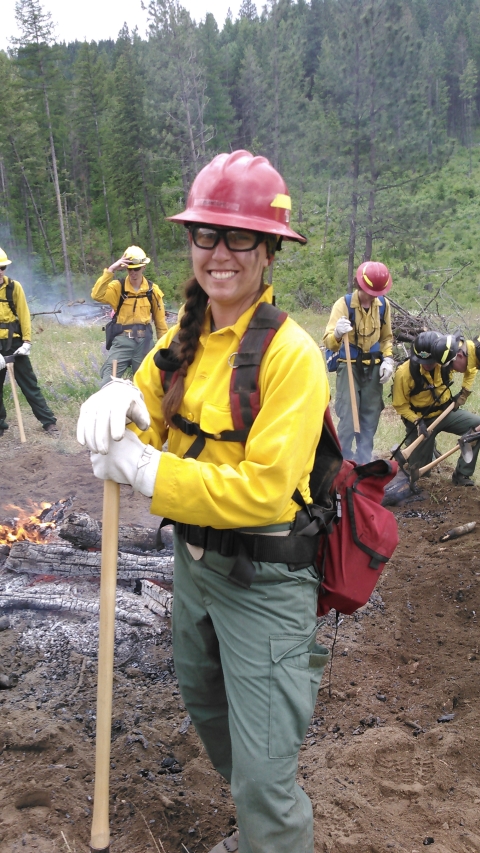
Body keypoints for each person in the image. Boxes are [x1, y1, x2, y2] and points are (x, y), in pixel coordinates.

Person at [78, 150, 331, 853]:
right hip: (194, 574)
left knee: (264, 775)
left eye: (239, 236)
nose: (219, 252)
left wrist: (146, 470)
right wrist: (121, 403)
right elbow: (149, 418)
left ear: (270, 248)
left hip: (265, 583)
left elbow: (262, 491)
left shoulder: (293, 355)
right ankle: (256, 830)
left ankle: (268, 833)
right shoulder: (184, 336)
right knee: (212, 716)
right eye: (204, 235)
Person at [323, 261, 394, 464]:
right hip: (349, 365)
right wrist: (336, 333)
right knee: (347, 419)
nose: (373, 296)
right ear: (359, 285)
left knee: (370, 418)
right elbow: (328, 340)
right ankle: (341, 463)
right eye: (370, 291)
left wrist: (388, 359)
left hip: (373, 367)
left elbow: (386, 337)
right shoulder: (343, 305)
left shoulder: (384, 306)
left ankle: (363, 463)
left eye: (377, 292)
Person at [392, 330, 480, 486]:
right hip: (421, 422)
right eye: (422, 361)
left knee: (477, 428)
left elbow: (471, 366)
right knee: (421, 473)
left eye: (431, 362)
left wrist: (464, 392)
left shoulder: (445, 361)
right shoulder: (404, 373)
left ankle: (462, 475)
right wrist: (417, 422)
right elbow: (401, 405)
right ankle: (426, 449)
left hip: (445, 413)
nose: (427, 365)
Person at [0, 249, 58, 438]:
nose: (0, 271)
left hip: (15, 342)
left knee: (29, 384)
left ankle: (48, 422)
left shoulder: (14, 287)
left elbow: (24, 314)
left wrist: (27, 342)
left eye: (3, 267)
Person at [91, 245, 168, 386]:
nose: (133, 272)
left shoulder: (153, 290)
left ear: (144, 267)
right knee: (107, 383)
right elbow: (97, 295)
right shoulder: (117, 287)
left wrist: (164, 349)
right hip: (122, 342)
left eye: (136, 269)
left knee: (147, 386)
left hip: (144, 343)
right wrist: (111, 270)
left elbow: (160, 323)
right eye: (130, 269)